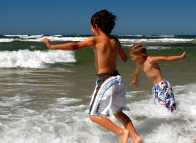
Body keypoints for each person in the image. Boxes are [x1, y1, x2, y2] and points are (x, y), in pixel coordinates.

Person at [43, 10, 142, 143]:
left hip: (106, 79)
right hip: (118, 80)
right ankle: (136, 137)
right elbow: (124, 58)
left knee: (94, 115)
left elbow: (75, 46)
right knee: (118, 112)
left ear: (95, 26)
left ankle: (121, 133)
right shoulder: (115, 41)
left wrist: (52, 46)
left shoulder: (96, 39)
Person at [129, 43, 186, 113]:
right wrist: (136, 79)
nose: (132, 59)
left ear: (139, 55)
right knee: (160, 108)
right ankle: (166, 122)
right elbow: (137, 72)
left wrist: (180, 57)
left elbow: (166, 58)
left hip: (163, 85)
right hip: (156, 88)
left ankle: (177, 119)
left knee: (170, 108)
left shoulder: (150, 60)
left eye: (132, 57)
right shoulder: (139, 64)